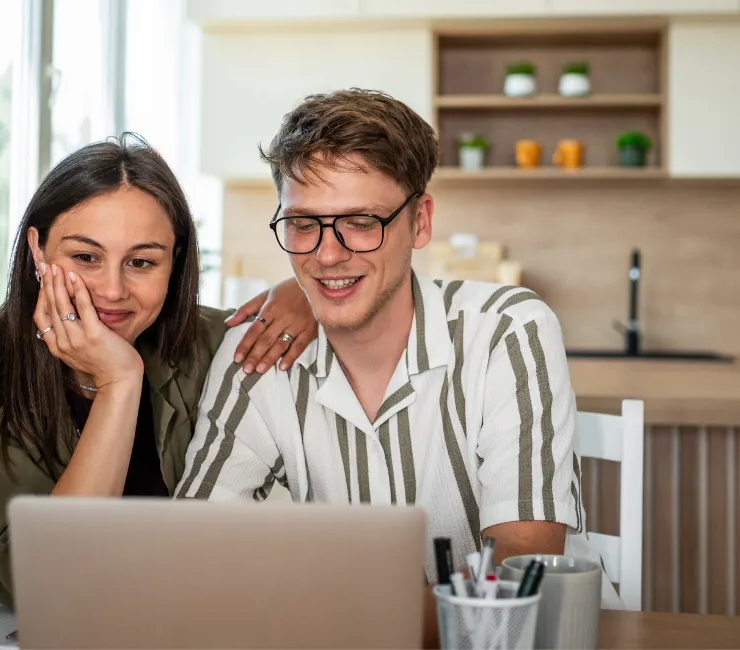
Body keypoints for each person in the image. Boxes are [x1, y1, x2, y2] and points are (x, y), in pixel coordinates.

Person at [175, 89, 621, 644]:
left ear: (421, 220)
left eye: (361, 221)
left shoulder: (506, 330)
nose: (327, 254)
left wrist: (330, 617)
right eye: (303, 224)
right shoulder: (262, 350)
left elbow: (516, 580)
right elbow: (194, 547)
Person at [0, 134, 317, 606]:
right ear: (38, 251)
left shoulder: (218, 346)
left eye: (141, 262)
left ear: (174, 261)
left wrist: (308, 292)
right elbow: (51, 581)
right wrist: (119, 383)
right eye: (85, 257)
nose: (113, 290)